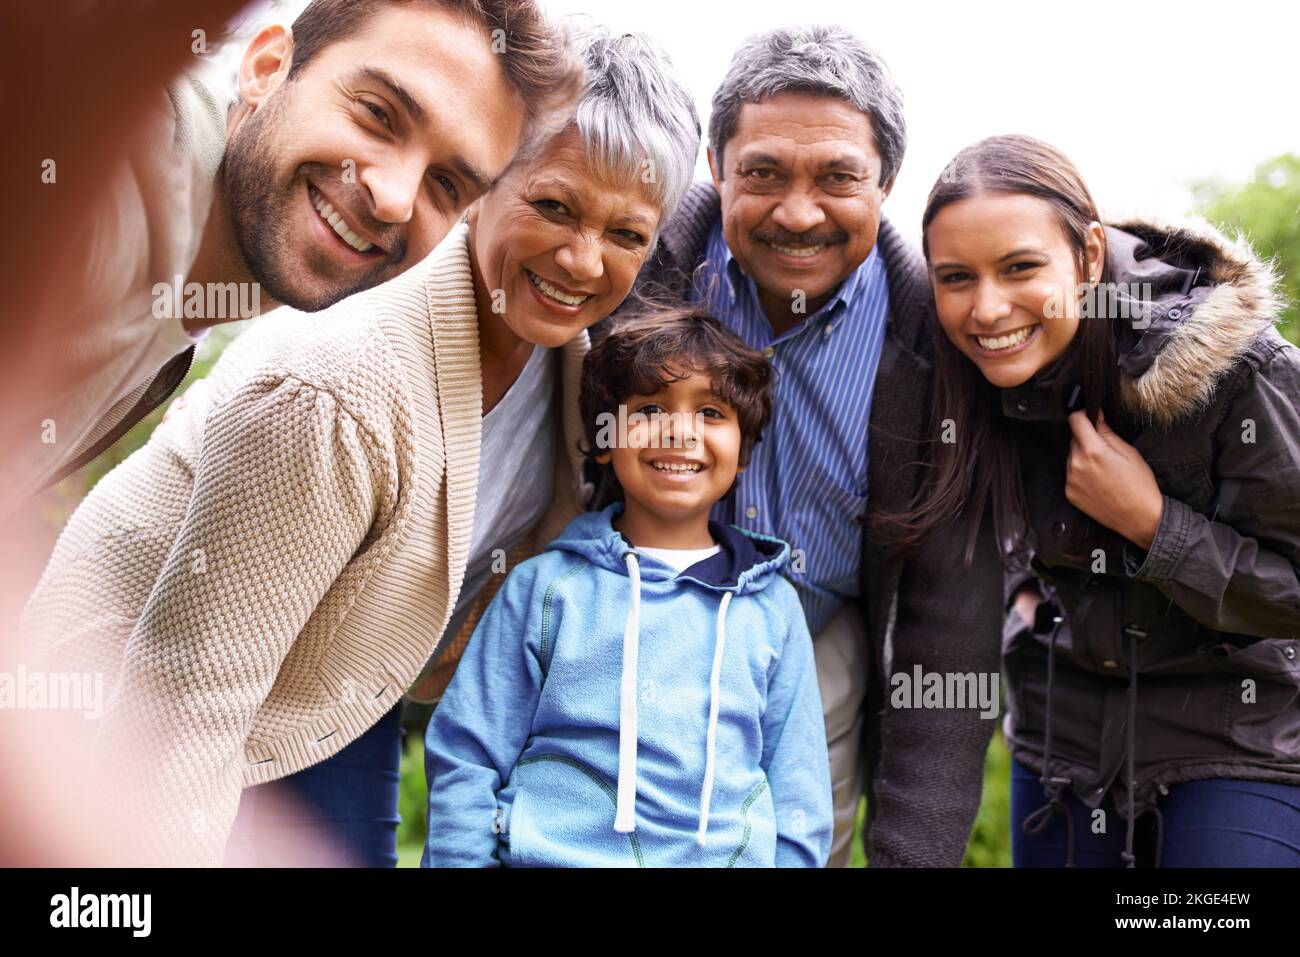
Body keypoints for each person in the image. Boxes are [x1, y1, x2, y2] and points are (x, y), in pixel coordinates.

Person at [17, 25, 700, 867]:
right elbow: (181, 707)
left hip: (333, 690)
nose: (583, 259)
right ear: (488, 187)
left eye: (626, 234)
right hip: (136, 694)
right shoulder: (344, 383)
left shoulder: (571, 367)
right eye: (553, 205)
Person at [606, 25, 1003, 867]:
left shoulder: (942, 340)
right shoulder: (632, 281)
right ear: (715, 168)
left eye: (837, 178)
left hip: (820, 640)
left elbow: (948, 616)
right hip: (624, 627)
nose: (797, 211)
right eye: (762, 174)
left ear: (886, 182)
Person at [892, 133, 1300, 866]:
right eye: (956, 277)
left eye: (1020, 267)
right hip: (1062, 738)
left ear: (1086, 255)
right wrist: (1025, 594)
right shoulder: (963, 375)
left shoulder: (1244, 373)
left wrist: (1154, 526)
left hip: (1239, 734)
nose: (987, 309)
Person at [2, 0, 575, 516]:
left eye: (446, 183)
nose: (395, 198)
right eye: (378, 114)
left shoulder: (188, 310)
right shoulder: (124, 174)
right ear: (268, 67)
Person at [423, 308, 834, 867]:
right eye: (649, 410)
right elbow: (467, 756)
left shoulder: (771, 606)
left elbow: (798, 788)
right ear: (603, 440)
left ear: (744, 448)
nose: (680, 431)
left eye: (711, 412)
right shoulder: (544, 589)